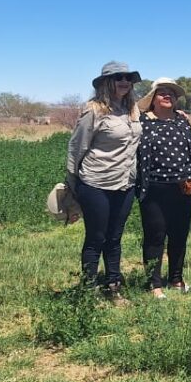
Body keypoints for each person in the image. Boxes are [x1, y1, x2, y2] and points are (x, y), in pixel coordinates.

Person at [66, 61, 142, 300]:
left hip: (125, 183)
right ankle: (88, 289)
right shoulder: (94, 110)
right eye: (118, 77)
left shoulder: (132, 109)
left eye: (128, 78)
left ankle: (113, 285)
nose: (124, 82)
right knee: (96, 237)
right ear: (106, 83)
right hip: (96, 182)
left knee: (115, 237)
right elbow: (76, 148)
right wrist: (72, 184)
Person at [136, 78, 191, 298]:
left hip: (183, 186)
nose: (167, 96)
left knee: (179, 235)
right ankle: (154, 284)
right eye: (162, 93)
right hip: (154, 188)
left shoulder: (182, 121)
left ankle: (176, 279)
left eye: (172, 93)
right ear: (153, 98)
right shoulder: (141, 122)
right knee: (155, 235)